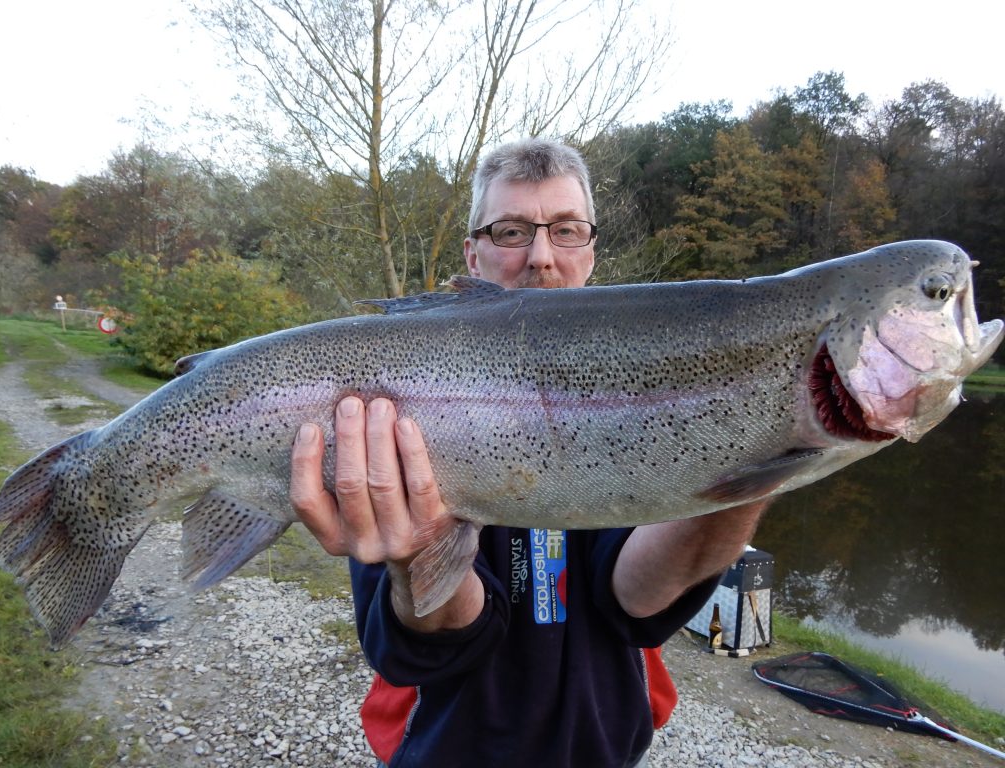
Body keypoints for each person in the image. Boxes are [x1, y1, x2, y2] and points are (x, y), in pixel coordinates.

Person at [289, 138, 768, 767]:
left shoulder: (642, 389)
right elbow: (422, 645)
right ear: (473, 253)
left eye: (566, 230)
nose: (542, 257)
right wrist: (422, 555)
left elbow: (634, 600)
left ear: (591, 250)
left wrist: (763, 450)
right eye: (512, 230)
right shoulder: (399, 388)